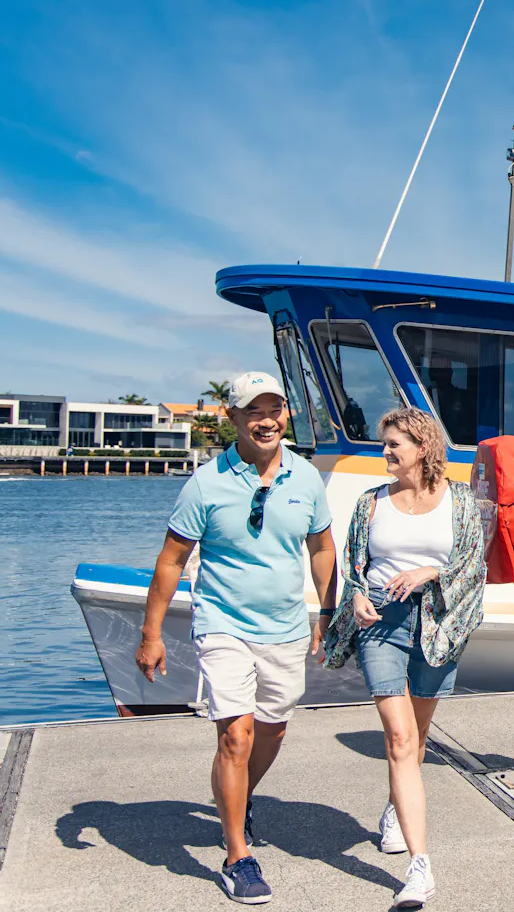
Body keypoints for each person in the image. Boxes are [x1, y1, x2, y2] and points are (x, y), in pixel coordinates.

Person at [136, 371, 336, 905]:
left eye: (274, 409)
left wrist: (330, 608)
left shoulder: (306, 478)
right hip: (223, 622)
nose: (266, 420)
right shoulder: (206, 483)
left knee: (272, 730)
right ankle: (236, 856)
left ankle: (238, 797)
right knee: (236, 736)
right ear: (234, 419)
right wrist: (151, 632)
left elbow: (321, 549)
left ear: (285, 415)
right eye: (253, 411)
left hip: (287, 628)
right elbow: (172, 559)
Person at [323, 407, 488, 910]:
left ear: (423, 447)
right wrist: (355, 596)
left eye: (394, 443)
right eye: (385, 444)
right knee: (398, 739)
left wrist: (426, 573)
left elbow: (471, 563)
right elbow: (354, 565)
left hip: (438, 623)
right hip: (382, 625)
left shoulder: (459, 500)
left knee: (416, 737)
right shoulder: (370, 502)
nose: (386, 452)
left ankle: (396, 810)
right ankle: (420, 868)